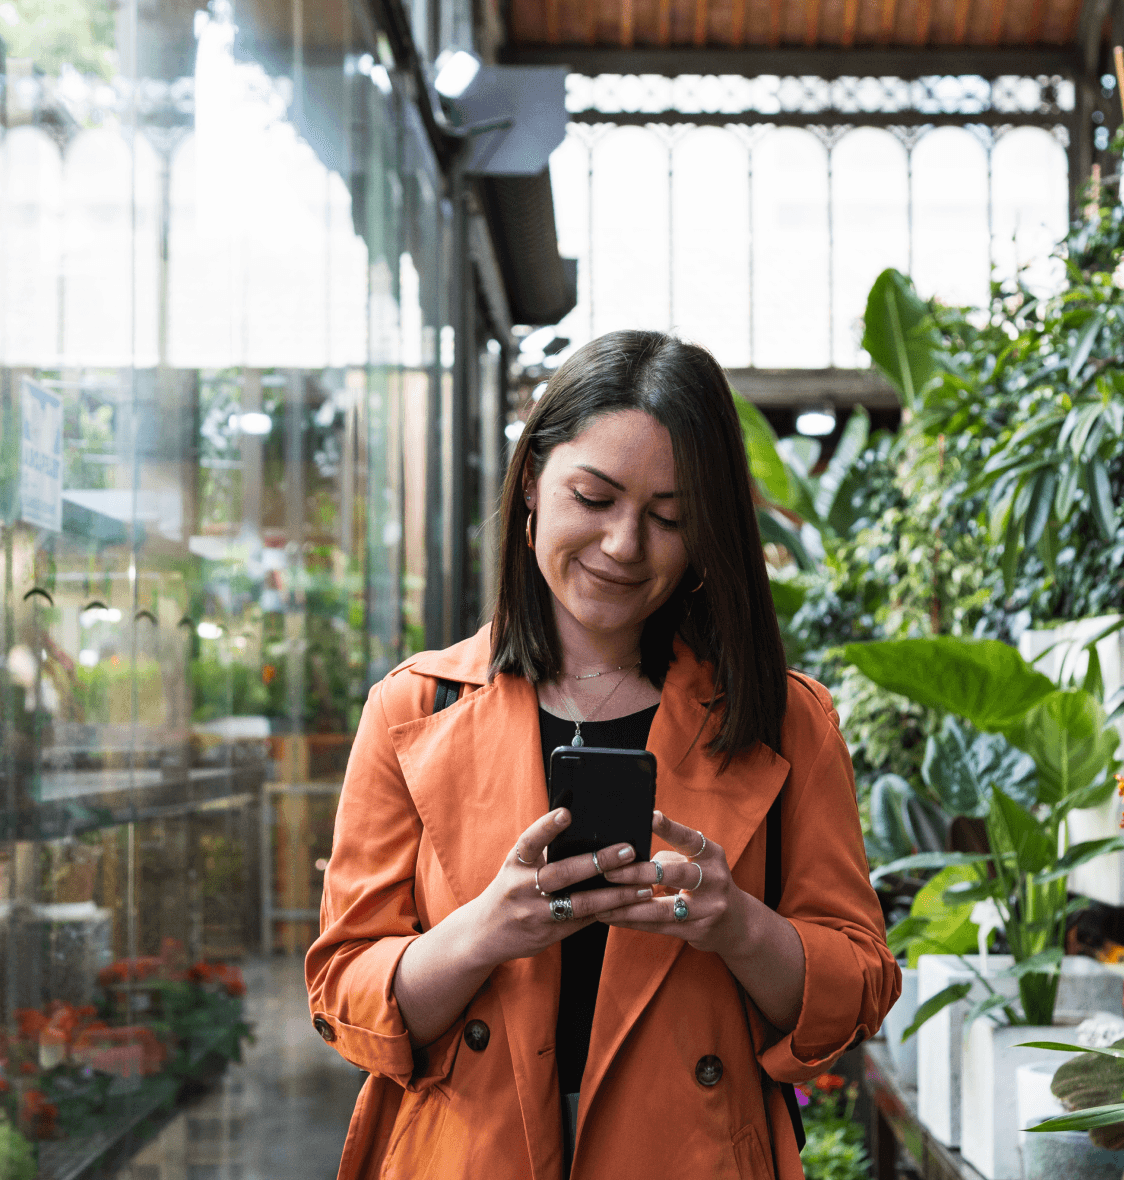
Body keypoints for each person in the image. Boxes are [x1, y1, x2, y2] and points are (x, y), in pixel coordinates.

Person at [305, 330, 899, 1179]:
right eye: (595, 497)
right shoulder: (414, 706)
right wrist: (483, 931)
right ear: (533, 489)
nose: (625, 545)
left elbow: (858, 984)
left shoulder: (782, 719)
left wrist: (737, 924)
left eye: (669, 518)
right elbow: (343, 989)